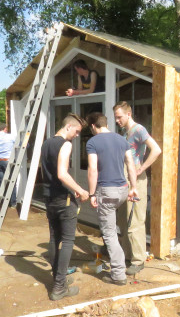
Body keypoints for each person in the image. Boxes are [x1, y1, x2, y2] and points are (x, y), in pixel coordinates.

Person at [40, 113, 90, 300]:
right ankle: (59, 287)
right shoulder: (65, 144)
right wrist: (81, 191)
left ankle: (57, 279)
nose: (77, 136)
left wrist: (72, 188)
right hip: (63, 200)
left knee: (54, 239)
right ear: (68, 127)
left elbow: (52, 174)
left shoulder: (46, 144)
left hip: (49, 198)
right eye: (76, 131)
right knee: (68, 241)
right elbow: (62, 174)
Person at [86, 112, 138, 286]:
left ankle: (118, 274)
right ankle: (119, 260)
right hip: (123, 190)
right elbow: (130, 164)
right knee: (114, 229)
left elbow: (93, 169)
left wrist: (92, 193)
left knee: (109, 234)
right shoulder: (122, 140)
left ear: (93, 126)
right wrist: (134, 187)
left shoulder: (93, 142)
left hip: (106, 192)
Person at [113, 101, 161, 275]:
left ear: (128, 114)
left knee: (135, 220)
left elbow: (156, 150)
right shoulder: (127, 133)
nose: (117, 120)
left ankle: (138, 260)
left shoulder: (138, 129)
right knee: (125, 220)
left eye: (119, 117)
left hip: (136, 179)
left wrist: (141, 168)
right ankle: (127, 254)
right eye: (115, 117)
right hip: (126, 177)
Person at [0, 123, 17, 207]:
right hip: (8, 160)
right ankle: (12, 203)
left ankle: (2, 201)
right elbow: (20, 145)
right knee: (11, 181)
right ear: (5, 129)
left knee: (2, 181)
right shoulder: (10, 136)